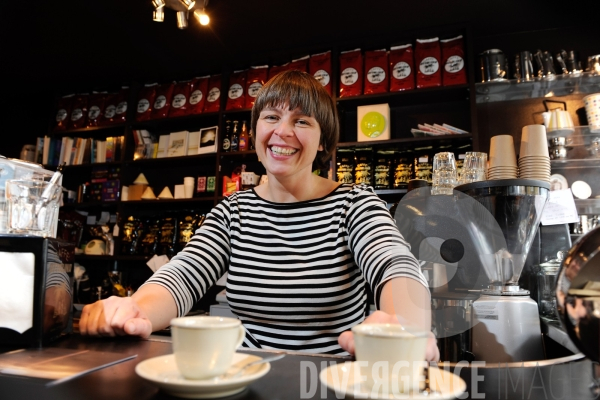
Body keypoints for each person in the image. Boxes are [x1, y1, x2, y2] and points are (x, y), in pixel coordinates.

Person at [80, 70, 439, 361]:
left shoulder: (354, 204)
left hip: (329, 381)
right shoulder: (233, 211)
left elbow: (395, 264)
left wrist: (406, 325)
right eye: (271, 117)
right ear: (256, 133)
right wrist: (133, 311)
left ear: (324, 140)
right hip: (249, 379)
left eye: (302, 121)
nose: (282, 131)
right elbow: (182, 277)